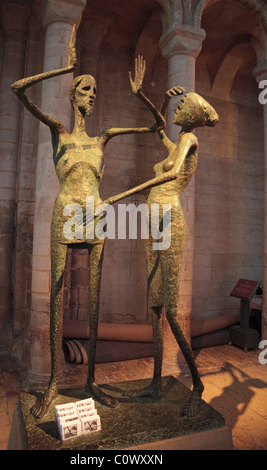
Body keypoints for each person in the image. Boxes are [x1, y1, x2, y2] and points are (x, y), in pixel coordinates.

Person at [11, 26, 165, 418]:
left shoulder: (103, 139)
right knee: (57, 292)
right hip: (65, 213)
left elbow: (157, 127)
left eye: (94, 91)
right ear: (71, 94)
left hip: (95, 215)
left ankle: (91, 381)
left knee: (94, 301)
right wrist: (64, 67)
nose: (91, 96)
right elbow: (18, 89)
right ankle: (51, 383)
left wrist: (140, 94)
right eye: (84, 89)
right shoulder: (59, 132)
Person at [120, 87, 219, 417]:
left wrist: (126, 193)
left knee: (172, 310)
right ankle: (156, 380)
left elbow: (175, 174)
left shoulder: (190, 141)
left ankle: (198, 384)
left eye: (181, 107)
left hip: (169, 221)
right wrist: (147, 96)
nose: (176, 112)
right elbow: (158, 126)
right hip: (153, 221)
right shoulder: (177, 144)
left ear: (191, 115)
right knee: (154, 306)